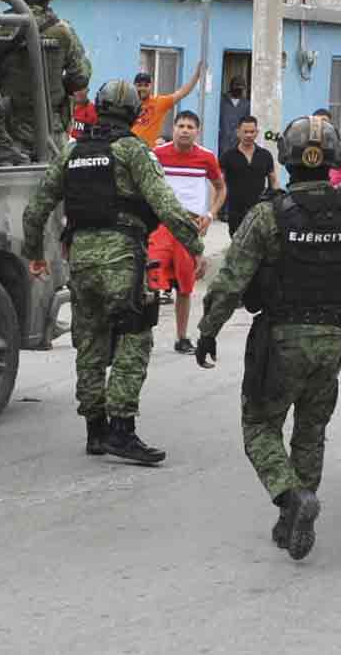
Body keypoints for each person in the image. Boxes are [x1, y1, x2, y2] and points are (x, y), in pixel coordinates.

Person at [193, 113, 341, 562]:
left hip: (280, 339)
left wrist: (207, 332)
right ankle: (294, 518)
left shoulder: (268, 215)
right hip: (331, 338)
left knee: (259, 427)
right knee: (310, 433)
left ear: (287, 160)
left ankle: (291, 499)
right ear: (331, 160)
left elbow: (230, 282)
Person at [20, 79, 206, 465]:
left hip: (81, 260)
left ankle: (95, 430)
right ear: (135, 113)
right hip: (121, 256)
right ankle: (122, 429)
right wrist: (196, 247)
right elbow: (167, 206)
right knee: (134, 337)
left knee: (88, 340)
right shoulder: (134, 151)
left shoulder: (71, 152)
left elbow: (36, 208)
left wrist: (35, 253)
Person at [0, 0, 89, 165]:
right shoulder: (63, 31)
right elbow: (81, 76)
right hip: (50, 129)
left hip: (8, 131)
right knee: (53, 187)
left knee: (3, 189)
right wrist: (59, 86)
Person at [149, 110, 223, 354]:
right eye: (181, 125)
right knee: (150, 281)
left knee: (185, 285)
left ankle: (181, 337)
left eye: (190, 127)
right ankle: (142, 335)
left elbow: (221, 189)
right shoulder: (158, 154)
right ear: (174, 128)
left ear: (197, 131)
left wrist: (210, 215)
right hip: (161, 224)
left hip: (190, 227)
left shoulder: (206, 157)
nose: (185, 130)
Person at [219, 115, 276, 236]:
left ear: (257, 133)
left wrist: (277, 204)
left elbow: (274, 181)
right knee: (237, 245)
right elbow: (218, 184)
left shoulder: (265, 155)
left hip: (259, 211)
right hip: (235, 211)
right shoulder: (228, 156)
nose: (249, 135)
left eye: (252, 132)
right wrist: (214, 208)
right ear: (238, 132)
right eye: (245, 132)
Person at [132, 62, 205, 146]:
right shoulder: (128, 103)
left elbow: (182, 93)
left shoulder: (159, 103)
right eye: (139, 85)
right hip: (128, 150)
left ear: (150, 86)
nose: (142, 88)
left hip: (147, 152)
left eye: (146, 85)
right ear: (134, 86)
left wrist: (197, 75)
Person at [216, 75, 251, 156]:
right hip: (223, 142)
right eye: (237, 88)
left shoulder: (246, 104)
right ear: (231, 88)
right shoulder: (222, 101)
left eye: (241, 89)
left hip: (239, 142)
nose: (239, 91)